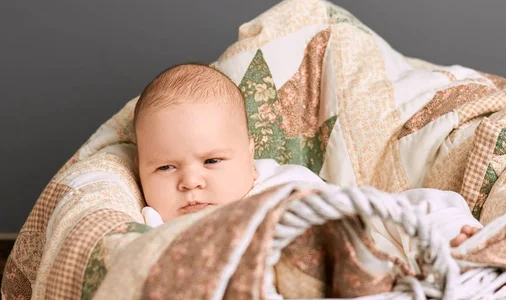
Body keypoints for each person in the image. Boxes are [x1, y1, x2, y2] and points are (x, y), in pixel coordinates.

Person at [133, 63, 482, 259]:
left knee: (406, 208)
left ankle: (450, 242)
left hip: (353, 249)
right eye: (165, 167)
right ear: (138, 169)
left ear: (249, 157)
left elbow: (354, 217)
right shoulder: (151, 227)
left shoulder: (281, 184)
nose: (190, 182)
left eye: (211, 161)